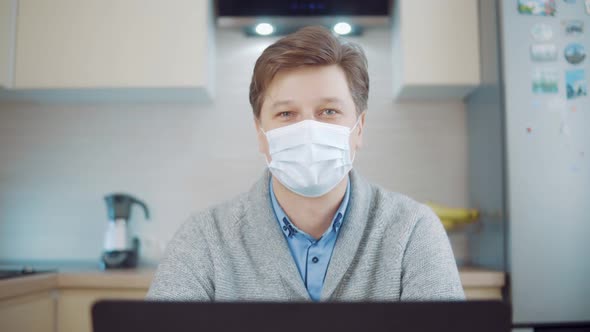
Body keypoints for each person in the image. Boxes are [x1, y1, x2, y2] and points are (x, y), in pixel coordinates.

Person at [147, 26, 464, 302]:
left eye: (329, 111)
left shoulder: (413, 230)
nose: (309, 130)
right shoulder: (204, 238)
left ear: (360, 128)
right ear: (261, 133)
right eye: (286, 114)